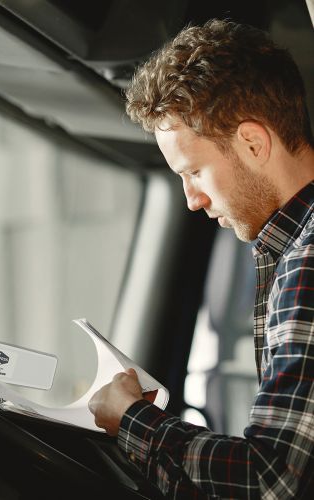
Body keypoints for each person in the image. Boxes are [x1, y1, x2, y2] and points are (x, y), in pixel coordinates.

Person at [88, 19, 314, 499]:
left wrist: (132, 420)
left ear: (253, 143)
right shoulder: (292, 249)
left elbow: (269, 482)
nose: (191, 199)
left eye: (194, 171)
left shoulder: (307, 260)